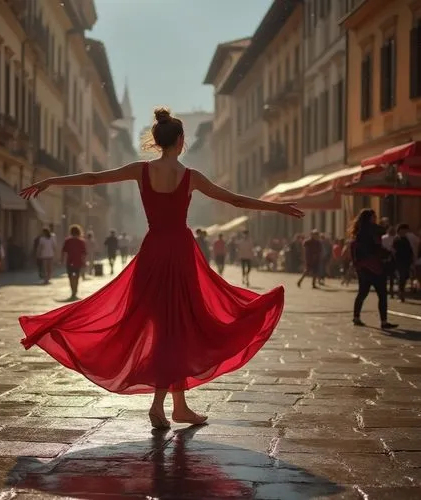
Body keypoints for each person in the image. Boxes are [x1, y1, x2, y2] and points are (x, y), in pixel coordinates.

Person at [18, 107, 303, 429]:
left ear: (158, 141)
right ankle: (159, 405)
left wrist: (51, 181)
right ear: (180, 141)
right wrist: (276, 207)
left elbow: (95, 178)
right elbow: (235, 200)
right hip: (180, 252)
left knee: (166, 328)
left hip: (153, 252)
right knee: (178, 327)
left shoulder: (141, 170)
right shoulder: (191, 176)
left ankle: (179, 406)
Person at [349, 209, 397, 329]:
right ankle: (384, 321)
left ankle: (356, 317)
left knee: (362, 293)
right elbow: (377, 243)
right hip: (374, 266)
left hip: (362, 267)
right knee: (382, 294)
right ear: (370, 217)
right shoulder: (372, 229)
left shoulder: (358, 231)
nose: (375, 218)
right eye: (374, 216)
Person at [62, 224, 87, 300]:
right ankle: (75, 291)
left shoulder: (67, 241)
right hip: (78, 261)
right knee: (76, 277)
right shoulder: (81, 241)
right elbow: (84, 253)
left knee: (70, 277)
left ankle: (73, 291)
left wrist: (61, 260)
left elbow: (64, 251)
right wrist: (84, 261)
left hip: (70, 261)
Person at [393, 224, 414, 303]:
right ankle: (401, 294)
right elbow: (394, 251)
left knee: (405, 277)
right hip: (400, 261)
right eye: (404, 230)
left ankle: (400, 292)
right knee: (402, 277)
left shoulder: (406, 239)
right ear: (400, 230)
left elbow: (409, 250)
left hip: (407, 261)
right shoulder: (397, 239)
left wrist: (411, 259)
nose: (405, 231)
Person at [381, 226, 396, 297]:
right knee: (387, 275)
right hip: (386, 257)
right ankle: (387, 289)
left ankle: (390, 289)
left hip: (390, 258)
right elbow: (383, 247)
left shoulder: (395, 238)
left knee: (390, 275)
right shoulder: (384, 238)